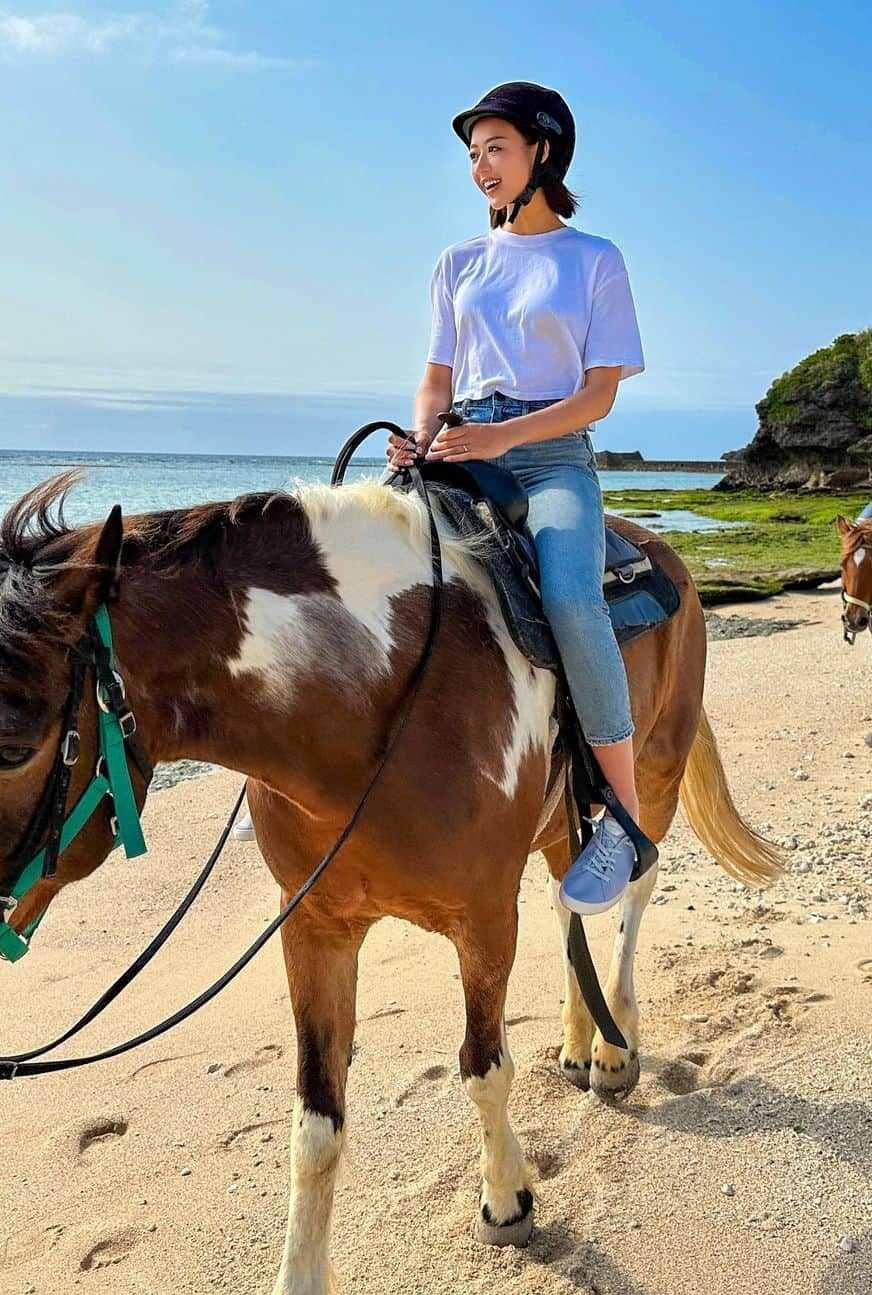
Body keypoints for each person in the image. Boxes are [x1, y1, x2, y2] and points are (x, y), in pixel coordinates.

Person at [386, 81, 646, 915]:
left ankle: (624, 822)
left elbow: (599, 395)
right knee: (360, 570)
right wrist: (421, 441)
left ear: (541, 152)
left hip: (552, 458)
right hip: (462, 446)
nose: (479, 166)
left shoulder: (594, 259)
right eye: (471, 154)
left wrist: (506, 440)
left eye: (494, 148)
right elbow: (434, 378)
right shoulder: (456, 263)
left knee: (571, 596)